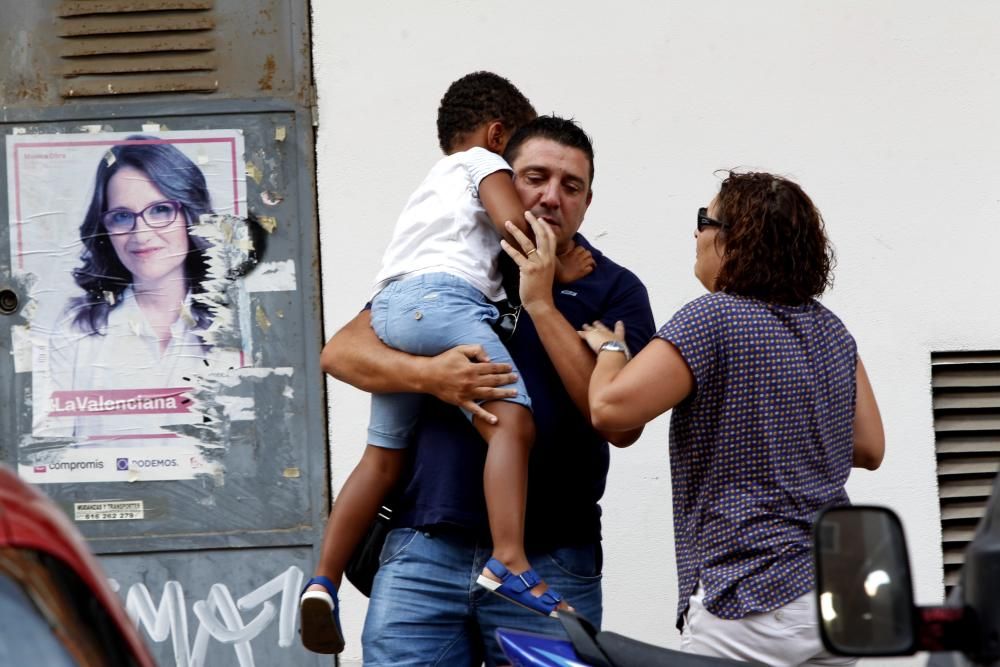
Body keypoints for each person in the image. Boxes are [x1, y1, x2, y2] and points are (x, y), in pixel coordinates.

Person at [321, 115, 655, 666]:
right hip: (423, 548)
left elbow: (620, 425)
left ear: (587, 203)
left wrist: (543, 302)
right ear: (504, 181)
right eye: (535, 177)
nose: (551, 196)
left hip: (552, 559)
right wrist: (432, 377)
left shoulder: (611, 287)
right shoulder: (454, 266)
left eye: (570, 186)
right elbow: (342, 353)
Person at [581, 171, 886, 666]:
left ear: (733, 237)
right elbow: (871, 447)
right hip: (840, 592)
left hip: (751, 595)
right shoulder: (833, 332)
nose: (696, 233)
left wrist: (612, 348)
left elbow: (610, 408)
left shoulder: (714, 317)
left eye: (704, 220)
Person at [42, 136, 243, 440]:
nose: (142, 233)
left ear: (190, 215)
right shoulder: (74, 329)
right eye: (122, 216)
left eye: (161, 210)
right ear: (105, 228)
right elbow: (48, 456)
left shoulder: (240, 325)